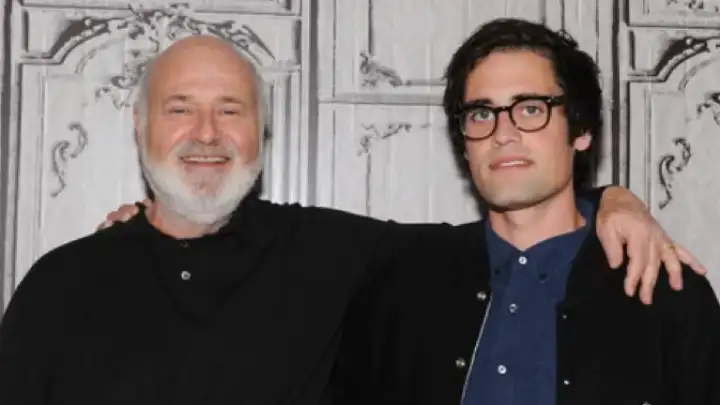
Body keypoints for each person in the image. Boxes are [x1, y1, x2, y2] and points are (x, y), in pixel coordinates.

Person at [0, 34, 705, 405]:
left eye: (231, 109)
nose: (206, 134)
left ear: (262, 129)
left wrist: (616, 199)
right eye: (180, 108)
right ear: (140, 125)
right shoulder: (61, 285)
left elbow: (528, 213)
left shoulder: (333, 252)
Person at [332, 18, 720, 405]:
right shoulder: (403, 288)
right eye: (481, 114)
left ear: (582, 130)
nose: (503, 134)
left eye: (531, 109)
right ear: (464, 144)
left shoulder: (664, 293)